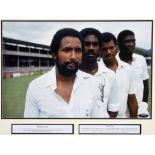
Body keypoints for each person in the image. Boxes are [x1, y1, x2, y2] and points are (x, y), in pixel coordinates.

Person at [24, 28, 109, 118]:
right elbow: (31, 128)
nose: (73, 56)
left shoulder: (92, 83)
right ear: (54, 54)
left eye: (78, 51)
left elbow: (99, 122)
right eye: (67, 50)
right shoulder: (36, 87)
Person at [79, 28, 121, 118]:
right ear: (80, 46)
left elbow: (113, 111)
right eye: (87, 44)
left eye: (95, 44)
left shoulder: (110, 76)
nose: (91, 48)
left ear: (99, 47)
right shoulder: (70, 75)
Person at [100, 32, 138, 118]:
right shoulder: (96, 72)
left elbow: (132, 99)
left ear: (116, 47)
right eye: (104, 49)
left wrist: (135, 122)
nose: (108, 52)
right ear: (99, 51)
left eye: (111, 47)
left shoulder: (128, 69)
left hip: (124, 119)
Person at [117, 30, 150, 118]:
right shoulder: (113, 63)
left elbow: (145, 84)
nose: (131, 44)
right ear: (119, 44)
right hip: (121, 112)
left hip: (140, 109)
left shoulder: (141, 59)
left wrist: (144, 104)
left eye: (133, 41)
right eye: (128, 41)